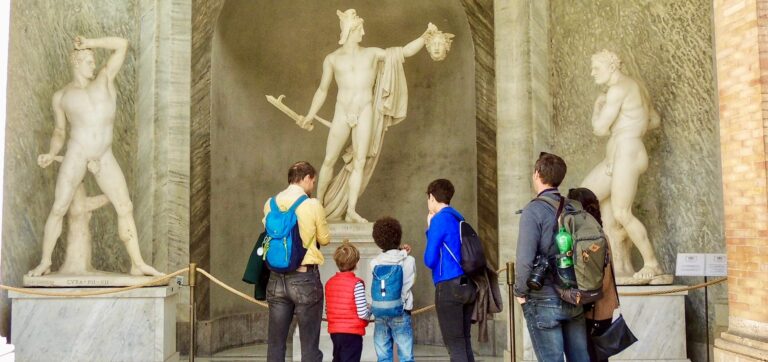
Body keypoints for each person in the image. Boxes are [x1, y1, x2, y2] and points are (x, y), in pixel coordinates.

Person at [29, 36, 161, 277]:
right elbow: (59, 131)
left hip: (104, 154)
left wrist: (91, 41)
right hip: (76, 153)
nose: (93, 64)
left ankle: (137, 263)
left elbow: (122, 44)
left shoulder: (104, 79)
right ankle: (45, 261)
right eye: (89, 61)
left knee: (124, 206)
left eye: (93, 60)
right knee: (59, 207)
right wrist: (51, 153)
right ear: (77, 63)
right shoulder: (62, 96)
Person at [298, 9, 440, 222]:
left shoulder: (372, 53)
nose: (363, 33)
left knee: (360, 162)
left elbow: (403, 53)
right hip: (342, 110)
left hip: (364, 110)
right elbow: (322, 90)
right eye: (359, 29)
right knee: (329, 159)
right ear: (349, 30)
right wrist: (310, 115)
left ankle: (351, 210)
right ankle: (319, 205)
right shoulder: (332, 59)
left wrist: (424, 37)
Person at [581, 49, 666, 283]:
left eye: (596, 68)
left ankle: (652, 263)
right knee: (585, 196)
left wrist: (598, 107)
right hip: (622, 152)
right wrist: (629, 125)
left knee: (621, 212)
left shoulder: (617, 90)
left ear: (611, 66)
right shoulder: (635, 85)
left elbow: (599, 128)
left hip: (627, 152)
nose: (592, 73)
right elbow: (654, 120)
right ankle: (618, 264)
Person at [514, 152, 590, 362]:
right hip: (574, 294)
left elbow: (524, 259)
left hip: (544, 296)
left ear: (537, 173)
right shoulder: (574, 207)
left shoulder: (533, 210)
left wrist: (520, 292)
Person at [262, 161, 331, 362]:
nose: (313, 185)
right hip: (304, 278)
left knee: (276, 344)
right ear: (307, 178)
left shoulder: (270, 203)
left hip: (276, 278)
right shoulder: (312, 204)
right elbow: (325, 239)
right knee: (309, 347)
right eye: (313, 181)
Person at [424, 179, 476, 361]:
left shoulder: (439, 220)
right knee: (464, 341)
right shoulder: (458, 218)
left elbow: (429, 260)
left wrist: (430, 227)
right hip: (467, 283)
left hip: (449, 286)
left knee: (454, 344)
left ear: (432, 197)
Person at [567, 187, 620, 362]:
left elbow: (600, 279)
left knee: (589, 356)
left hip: (592, 310)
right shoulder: (601, 234)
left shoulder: (585, 238)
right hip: (604, 309)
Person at [370, 217, 415, 362]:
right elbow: (409, 283)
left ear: (377, 240)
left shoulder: (374, 263)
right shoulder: (409, 260)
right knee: (406, 356)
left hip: (380, 312)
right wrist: (403, 252)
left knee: (383, 356)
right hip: (401, 311)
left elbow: (388, 258)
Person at [325, 242, 370, 362]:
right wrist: (370, 310)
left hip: (335, 332)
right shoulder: (357, 284)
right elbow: (362, 313)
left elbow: (327, 309)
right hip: (352, 332)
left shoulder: (329, 282)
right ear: (356, 263)